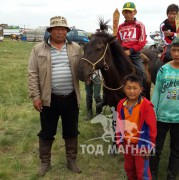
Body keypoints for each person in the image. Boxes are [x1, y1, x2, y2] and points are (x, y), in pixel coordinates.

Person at [28, 16, 82, 176]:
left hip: (71, 98)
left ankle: (71, 160)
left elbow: (83, 70)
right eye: (56, 28)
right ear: (50, 31)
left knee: (71, 130)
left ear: (67, 31)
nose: (60, 31)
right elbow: (32, 73)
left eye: (63, 28)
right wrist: (35, 96)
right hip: (48, 99)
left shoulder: (76, 48)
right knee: (47, 131)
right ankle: (45, 162)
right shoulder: (38, 49)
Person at [116, 74, 157, 180]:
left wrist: (148, 147)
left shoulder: (147, 106)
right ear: (124, 88)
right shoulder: (121, 104)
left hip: (141, 145)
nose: (132, 91)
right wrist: (119, 142)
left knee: (142, 172)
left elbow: (151, 129)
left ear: (141, 89)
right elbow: (119, 126)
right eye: (128, 88)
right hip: (127, 144)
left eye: (135, 88)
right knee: (129, 169)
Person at [150, 38, 179, 180]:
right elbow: (156, 91)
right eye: (174, 50)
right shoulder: (163, 69)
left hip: (178, 118)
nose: (177, 53)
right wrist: (153, 111)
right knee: (156, 147)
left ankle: (171, 174)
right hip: (161, 116)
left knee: (176, 149)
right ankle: (152, 172)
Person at [117, 2, 147, 93]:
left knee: (143, 74)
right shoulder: (120, 27)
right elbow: (119, 41)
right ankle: (107, 96)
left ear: (135, 12)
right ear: (122, 13)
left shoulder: (139, 25)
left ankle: (143, 92)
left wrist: (130, 51)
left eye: (130, 12)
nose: (128, 14)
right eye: (125, 12)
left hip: (134, 54)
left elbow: (142, 42)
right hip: (122, 53)